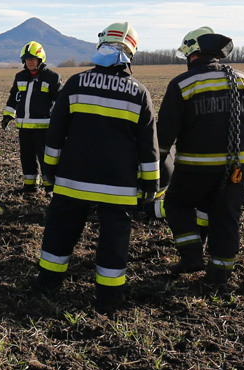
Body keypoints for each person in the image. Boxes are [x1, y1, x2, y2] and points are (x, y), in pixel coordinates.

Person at [32, 22, 158, 313]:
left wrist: (49, 171)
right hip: (120, 186)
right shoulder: (139, 94)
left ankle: (47, 284)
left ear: (101, 46)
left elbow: (55, 133)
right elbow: (148, 146)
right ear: (132, 53)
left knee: (60, 231)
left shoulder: (76, 83)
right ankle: (110, 298)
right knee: (114, 241)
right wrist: (150, 185)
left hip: (72, 180)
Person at [157, 27, 244, 287]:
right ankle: (219, 274)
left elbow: (165, 132)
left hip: (193, 167)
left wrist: (157, 160)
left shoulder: (182, 83)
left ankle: (191, 255)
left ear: (193, 54)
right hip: (236, 168)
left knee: (176, 205)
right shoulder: (243, 80)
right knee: (226, 217)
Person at [1, 41, 62, 195]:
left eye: (33, 59)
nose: (29, 62)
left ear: (40, 60)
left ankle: (50, 187)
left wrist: (61, 122)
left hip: (44, 129)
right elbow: (13, 98)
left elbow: (62, 102)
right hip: (24, 129)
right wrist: (8, 115)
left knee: (46, 159)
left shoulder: (52, 77)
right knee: (27, 158)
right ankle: (30, 187)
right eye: (27, 59)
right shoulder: (20, 76)